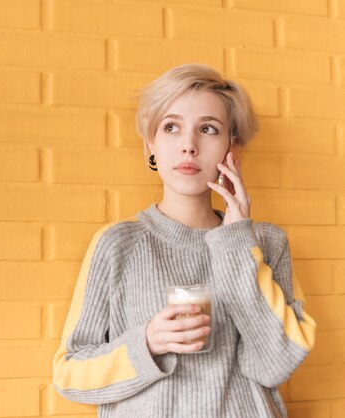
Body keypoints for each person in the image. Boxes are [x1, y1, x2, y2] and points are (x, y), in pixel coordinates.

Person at [52, 64, 316, 418]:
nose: (188, 146)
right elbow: (69, 375)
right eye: (171, 127)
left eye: (208, 129)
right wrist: (147, 343)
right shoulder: (118, 244)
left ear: (230, 147)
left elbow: (275, 364)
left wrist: (237, 243)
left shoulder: (266, 243)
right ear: (151, 143)